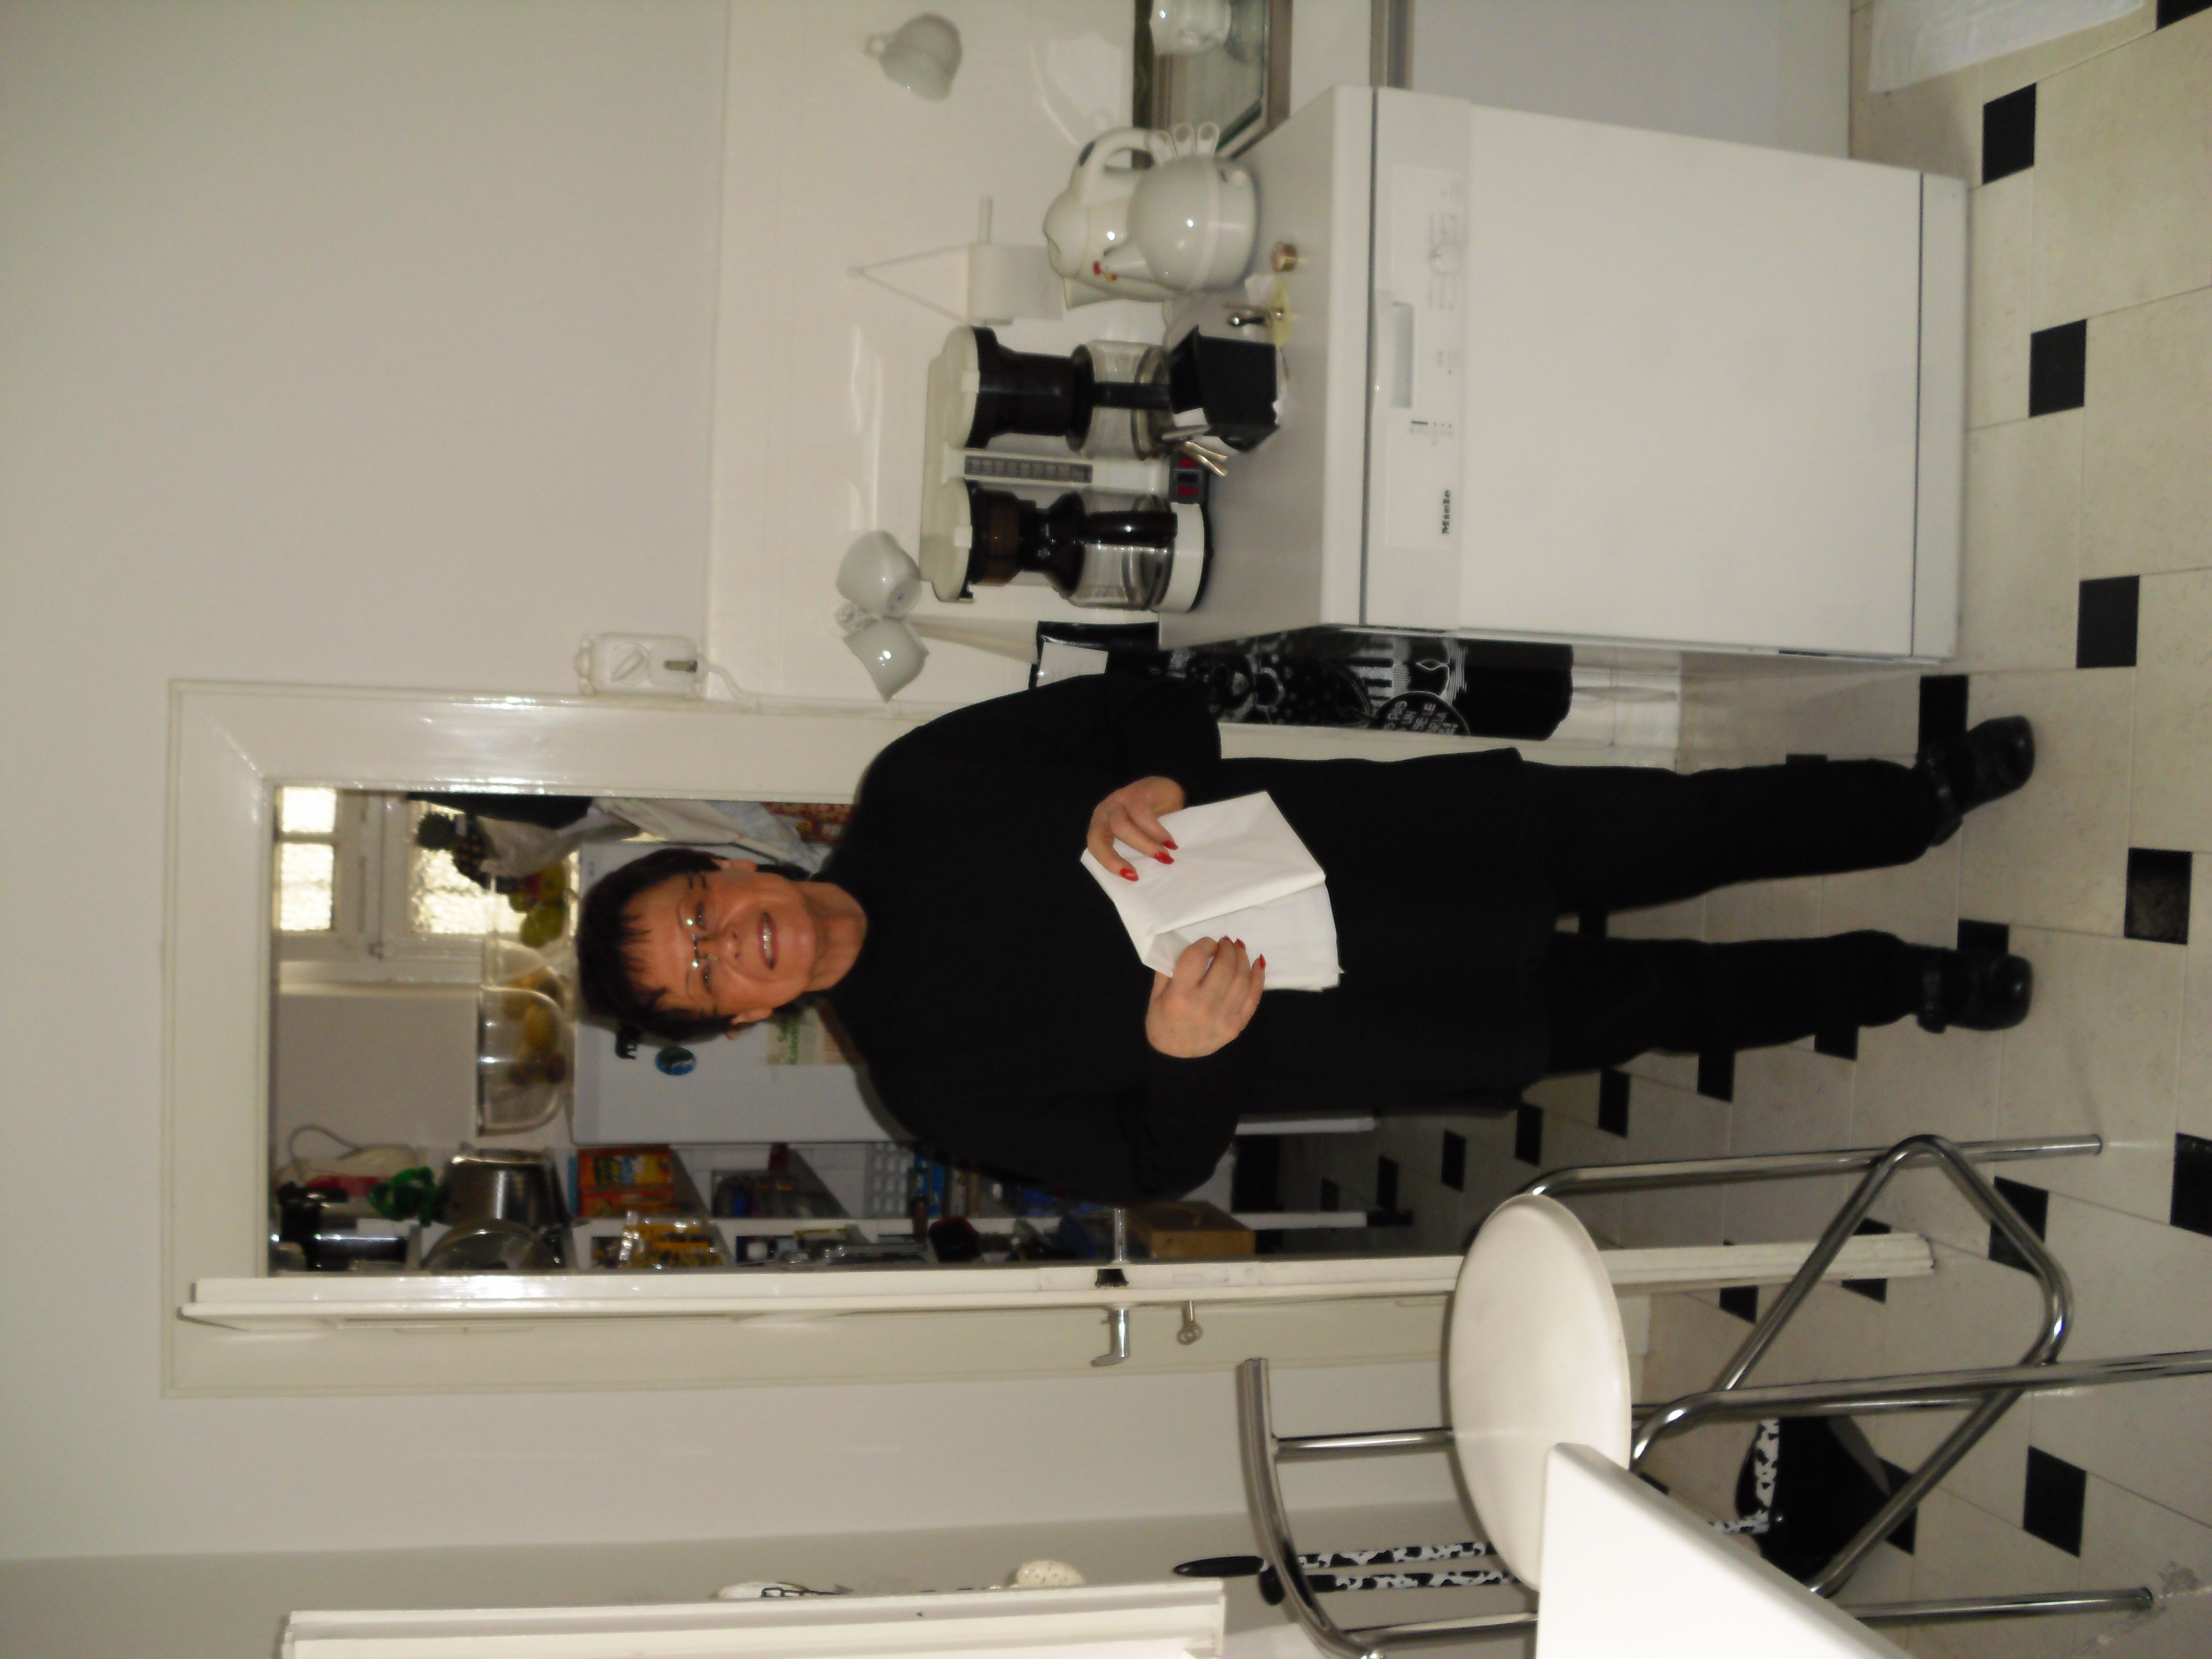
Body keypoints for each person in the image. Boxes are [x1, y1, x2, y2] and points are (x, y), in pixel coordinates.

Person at [576, 675, 2034, 1204]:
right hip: (1382, 1022)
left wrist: (1158, 776)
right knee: (1673, 1001)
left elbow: (1141, 701)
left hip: (1403, 841)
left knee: (1685, 825)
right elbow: (1153, 1165)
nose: (729, 946)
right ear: (728, 1024)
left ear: (724, 865)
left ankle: (1911, 805)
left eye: (698, 914)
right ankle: (1908, 983)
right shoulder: (929, 1090)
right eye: (700, 979)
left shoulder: (918, 786)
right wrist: (1182, 1051)